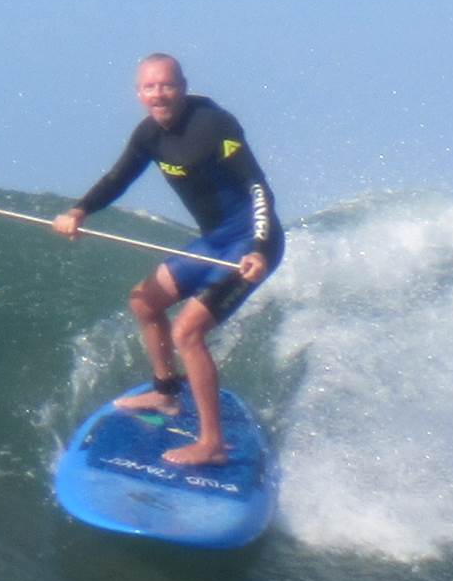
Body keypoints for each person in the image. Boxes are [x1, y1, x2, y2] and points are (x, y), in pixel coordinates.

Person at [50, 53, 283, 467]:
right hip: (214, 241)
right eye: (150, 87)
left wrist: (260, 249)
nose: (159, 94)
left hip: (249, 243)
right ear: (138, 93)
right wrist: (80, 210)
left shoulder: (214, 125)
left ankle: (211, 444)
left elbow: (258, 187)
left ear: (183, 87)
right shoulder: (148, 136)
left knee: (187, 332)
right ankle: (166, 394)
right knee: (144, 302)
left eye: (167, 85)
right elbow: (118, 178)